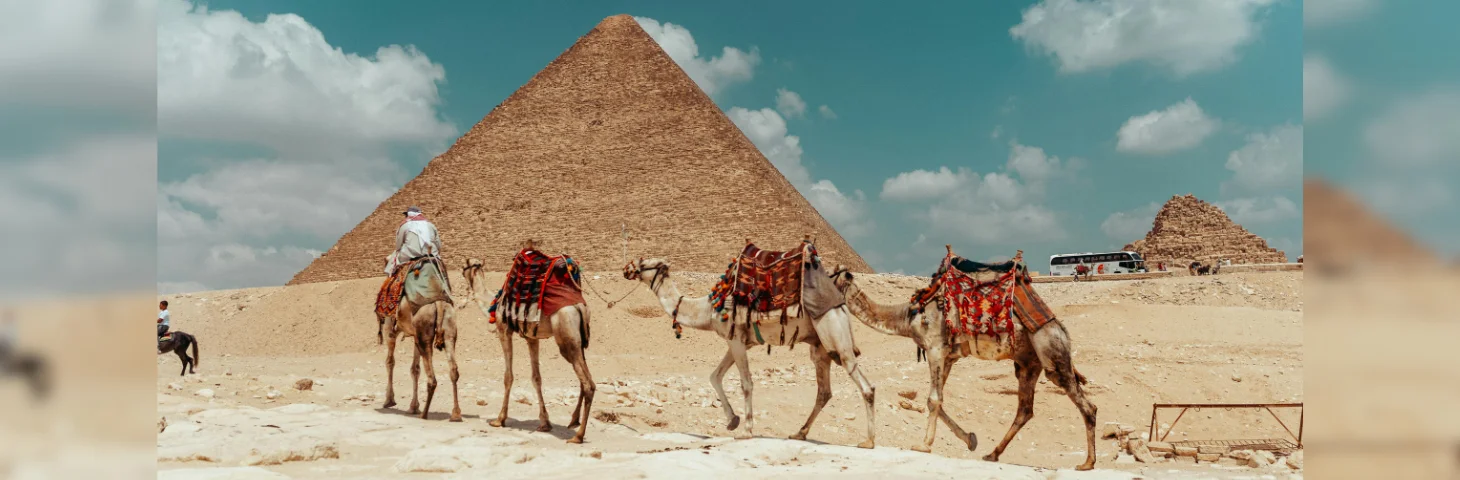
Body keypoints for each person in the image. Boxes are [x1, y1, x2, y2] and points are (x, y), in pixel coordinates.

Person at [385, 206, 443, 277]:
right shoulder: (431, 225)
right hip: (431, 255)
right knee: (442, 270)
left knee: (391, 260)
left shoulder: (404, 226)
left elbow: (398, 246)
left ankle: (392, 280)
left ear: (409, 215)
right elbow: (438, 245)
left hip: (410, 256)